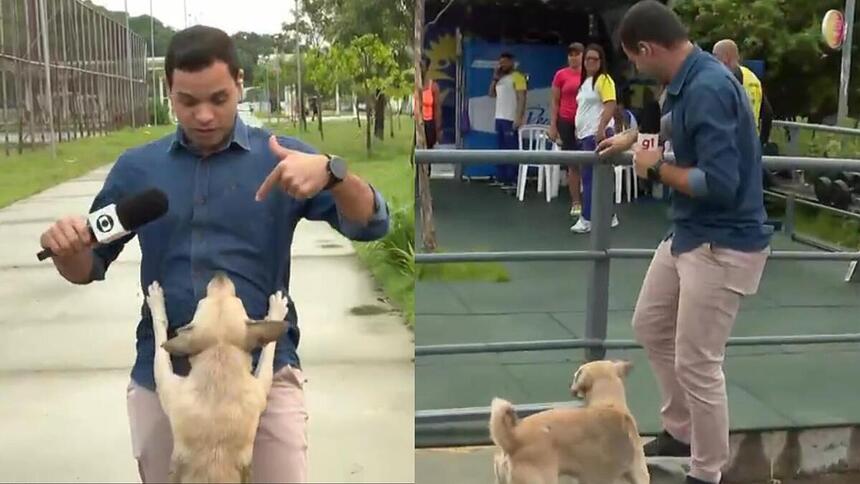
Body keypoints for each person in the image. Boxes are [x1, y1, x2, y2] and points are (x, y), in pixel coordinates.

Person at [37, 25, 390, 484]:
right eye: (188, 101)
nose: (204, 115)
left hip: (260, 379)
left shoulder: (280, 157)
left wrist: (333, 174)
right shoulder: (137, 169)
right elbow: (88, 267)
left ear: (240, 83)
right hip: (166, 381)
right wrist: (67, 250)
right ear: (168, 91)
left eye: (219, 99)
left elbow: (373, 223)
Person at [598, 2, 772, 483]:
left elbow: (719, 182)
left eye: (634, 59)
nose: (634, 67)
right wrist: (634, 140)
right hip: (690, 234)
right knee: (650, 324)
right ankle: (682, 429)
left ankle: (707, 471)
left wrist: (654, 169)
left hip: (723, 243)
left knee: (698, 363)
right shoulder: (686, 81)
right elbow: (673, 134)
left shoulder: (710, 88)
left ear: (648, 48)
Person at [570, 43, 620, 234]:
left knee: (590, 178)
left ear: (601, 61)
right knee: (596, 177)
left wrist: (600, 128)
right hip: (585, 134)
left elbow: (610, 104)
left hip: (596, 135)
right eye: (588, 59)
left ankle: (588, 219)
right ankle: (609, 215)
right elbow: (584, 109)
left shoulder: (604, 80)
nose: (590, 62)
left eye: (595, 59)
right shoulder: (585, 83)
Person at [711, 39, 774, 147]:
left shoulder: (726, 78)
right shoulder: (753, 78)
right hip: (751, 145)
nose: (713, 60)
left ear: (726, 57)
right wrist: (761, 142)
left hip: (731, 146)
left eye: (715, 56)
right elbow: (768, 113)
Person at [549, 42, 585, 216]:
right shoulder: (560, 75)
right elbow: (555, 102)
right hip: (566, 121)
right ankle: (576, 202)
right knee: (573, 164)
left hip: (586, 123)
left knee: (589, 161)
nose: (573, 57)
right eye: (570, 54)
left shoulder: (591, 75)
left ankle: (592, 201)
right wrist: (553, 125)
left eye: (577, 54)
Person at [488, 52, 527, 190]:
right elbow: (491, 94)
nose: (502, 65)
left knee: (511, 149)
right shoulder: (500, 78)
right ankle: (501, 177)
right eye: (501, 62)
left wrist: (519, 117)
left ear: (511, 62)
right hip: (499, 118)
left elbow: (522, 98)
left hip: (510, 118)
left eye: (505, 62)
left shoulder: (518, 77)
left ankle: (512, 180)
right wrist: (495, 78)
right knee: (500, 149)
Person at [416, 57, 442, 149]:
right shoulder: (416, 87)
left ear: (427, 68)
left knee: (428, 151)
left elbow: (437, 109)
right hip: (419, 124)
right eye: (419, 67)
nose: (421, 70)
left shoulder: (433, 87)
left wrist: (438, 129)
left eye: (422, 67)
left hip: (429, 124)